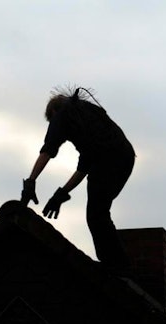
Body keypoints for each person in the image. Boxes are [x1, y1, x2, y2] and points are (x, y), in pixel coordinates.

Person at [20, 87, 135, 274]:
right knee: (99, 211)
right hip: (125, 158)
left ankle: (116, 266)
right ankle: (118, 264)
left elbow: (48, 149)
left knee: (96, 214)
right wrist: (62, 194)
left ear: (53, 113)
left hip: (109, 160)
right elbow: (84, 167)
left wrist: (31, 181)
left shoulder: (61, 115)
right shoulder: (88, 121)